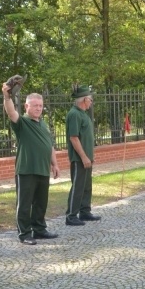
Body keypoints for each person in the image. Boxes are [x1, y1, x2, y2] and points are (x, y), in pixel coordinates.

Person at [2, 83, 60, 245]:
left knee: (41, 203)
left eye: (40, 106)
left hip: (43, 169)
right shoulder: (22, 122)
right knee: (24, 204)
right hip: (26, 169)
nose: (38, 108)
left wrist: (54, 164)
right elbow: (11, 112)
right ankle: (25, 234)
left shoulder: (43, 124)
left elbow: (50, 145)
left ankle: (39, 229)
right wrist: (7, 96)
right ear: (26, 106)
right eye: (35, 105)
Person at [64, 86, 101, 226]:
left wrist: (89, 156)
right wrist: (84, 157)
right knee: (78, 186)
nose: (91, 102)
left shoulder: (83, 114)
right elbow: (74, 138)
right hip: (79, 158)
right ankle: (71, 215)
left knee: (86, 186)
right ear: (84, 99)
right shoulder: (74, 114)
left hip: (86, 157)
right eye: (90, 99)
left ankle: (85, 211)